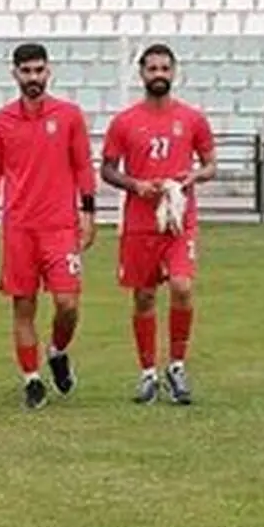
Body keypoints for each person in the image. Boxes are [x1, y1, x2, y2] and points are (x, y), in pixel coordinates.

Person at [0, 43, 98, 410]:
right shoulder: (1, 120)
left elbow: (82, 164)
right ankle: (31, 378)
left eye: (38, 71)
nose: (33, 78)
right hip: (19, 228)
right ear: (14, 74)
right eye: (26, 71)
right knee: (23, 306)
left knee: (67, 303)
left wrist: (88, 211)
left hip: (60, 227)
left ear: (49, 72)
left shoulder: (68, 115)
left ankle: (58, 351)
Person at [100, 43, 217, 405]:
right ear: (142, 74)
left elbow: (211, 164)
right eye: (152, 69)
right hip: (140, 221)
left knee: (182, 286)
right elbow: (107, 168)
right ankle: (148, 371)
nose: (159, 75)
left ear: (174, 71)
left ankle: (177, 365)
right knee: (144, 295)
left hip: (179, 222)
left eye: (165, 68)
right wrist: (136, 185)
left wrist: (193, 176)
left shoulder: (192, 119)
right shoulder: (125, 121)